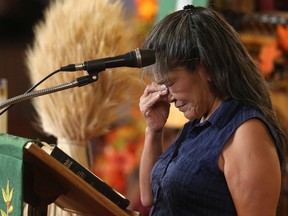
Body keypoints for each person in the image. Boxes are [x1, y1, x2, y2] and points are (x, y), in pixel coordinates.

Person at [138, 4, 287, 216]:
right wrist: (153, 131)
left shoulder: (245, 132)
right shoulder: (198, 124)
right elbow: (150, 198)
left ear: (206, 67)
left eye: (170, 83)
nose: (166, 95)